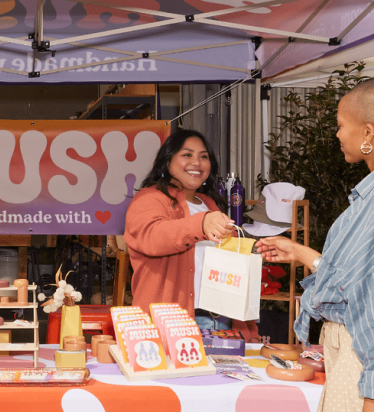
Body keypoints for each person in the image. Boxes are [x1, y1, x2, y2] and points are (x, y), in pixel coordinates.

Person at [255, 80, 374, 412]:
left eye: (340, 125)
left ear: (368, 133)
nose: (336, 135)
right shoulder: (365, 197)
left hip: (359, 356)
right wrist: (302, 254)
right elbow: (353, 278)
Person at [124, 129, 261, 342]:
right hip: (173, 321)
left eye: (203, 156)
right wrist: (201, 224)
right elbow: (152, 236)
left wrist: (247, 326)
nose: (197, 162)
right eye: (187, 155)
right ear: (167, 160)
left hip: (221, 318)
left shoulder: (209, 203)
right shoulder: (149, 199)